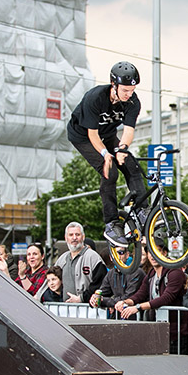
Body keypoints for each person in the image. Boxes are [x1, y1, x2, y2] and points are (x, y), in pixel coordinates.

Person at [67, 61, 147, 247]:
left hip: (108, 134)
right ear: (114, 85)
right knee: (110, 172)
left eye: (132, 90)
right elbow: (92, 134)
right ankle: (111, 223)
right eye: (125, 90)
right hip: (83, 137)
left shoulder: (133, 102)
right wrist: (106, 154)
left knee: (131, 164)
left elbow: (128, 130)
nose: (129, 94)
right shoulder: (94, 98)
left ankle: (143, 211)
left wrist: (122, 149)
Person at [117, 251, 186, 351]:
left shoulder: (175, 272)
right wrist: (126, 302)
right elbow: (141, 294)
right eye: (150, 252)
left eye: (156, 251)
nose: (153, 256)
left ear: (164, 253)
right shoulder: (151, 274)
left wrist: (138, 307)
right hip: (157, 329)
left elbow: (166, 298)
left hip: (176, 331)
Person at [54, 223, 106, 304]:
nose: (74, 238)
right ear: (66, 238)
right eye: (71, 235)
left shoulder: (93, 258)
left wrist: (81, 298)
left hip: (88, 310)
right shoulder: (61, 259)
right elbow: (51, 280)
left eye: (77, 234)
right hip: (64, 309)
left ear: (83, 237)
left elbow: (101, 284)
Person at [90, 247, 145, 315]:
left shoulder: (136, 272)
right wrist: (95, 298)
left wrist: (106, 301)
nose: (117, 256)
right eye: (114, 253)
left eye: (120, 253)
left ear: (127, 255)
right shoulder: (111, 273)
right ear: (110, 257)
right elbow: (102, 292)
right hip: (120, 315)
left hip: (138, 315)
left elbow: (129, 297)